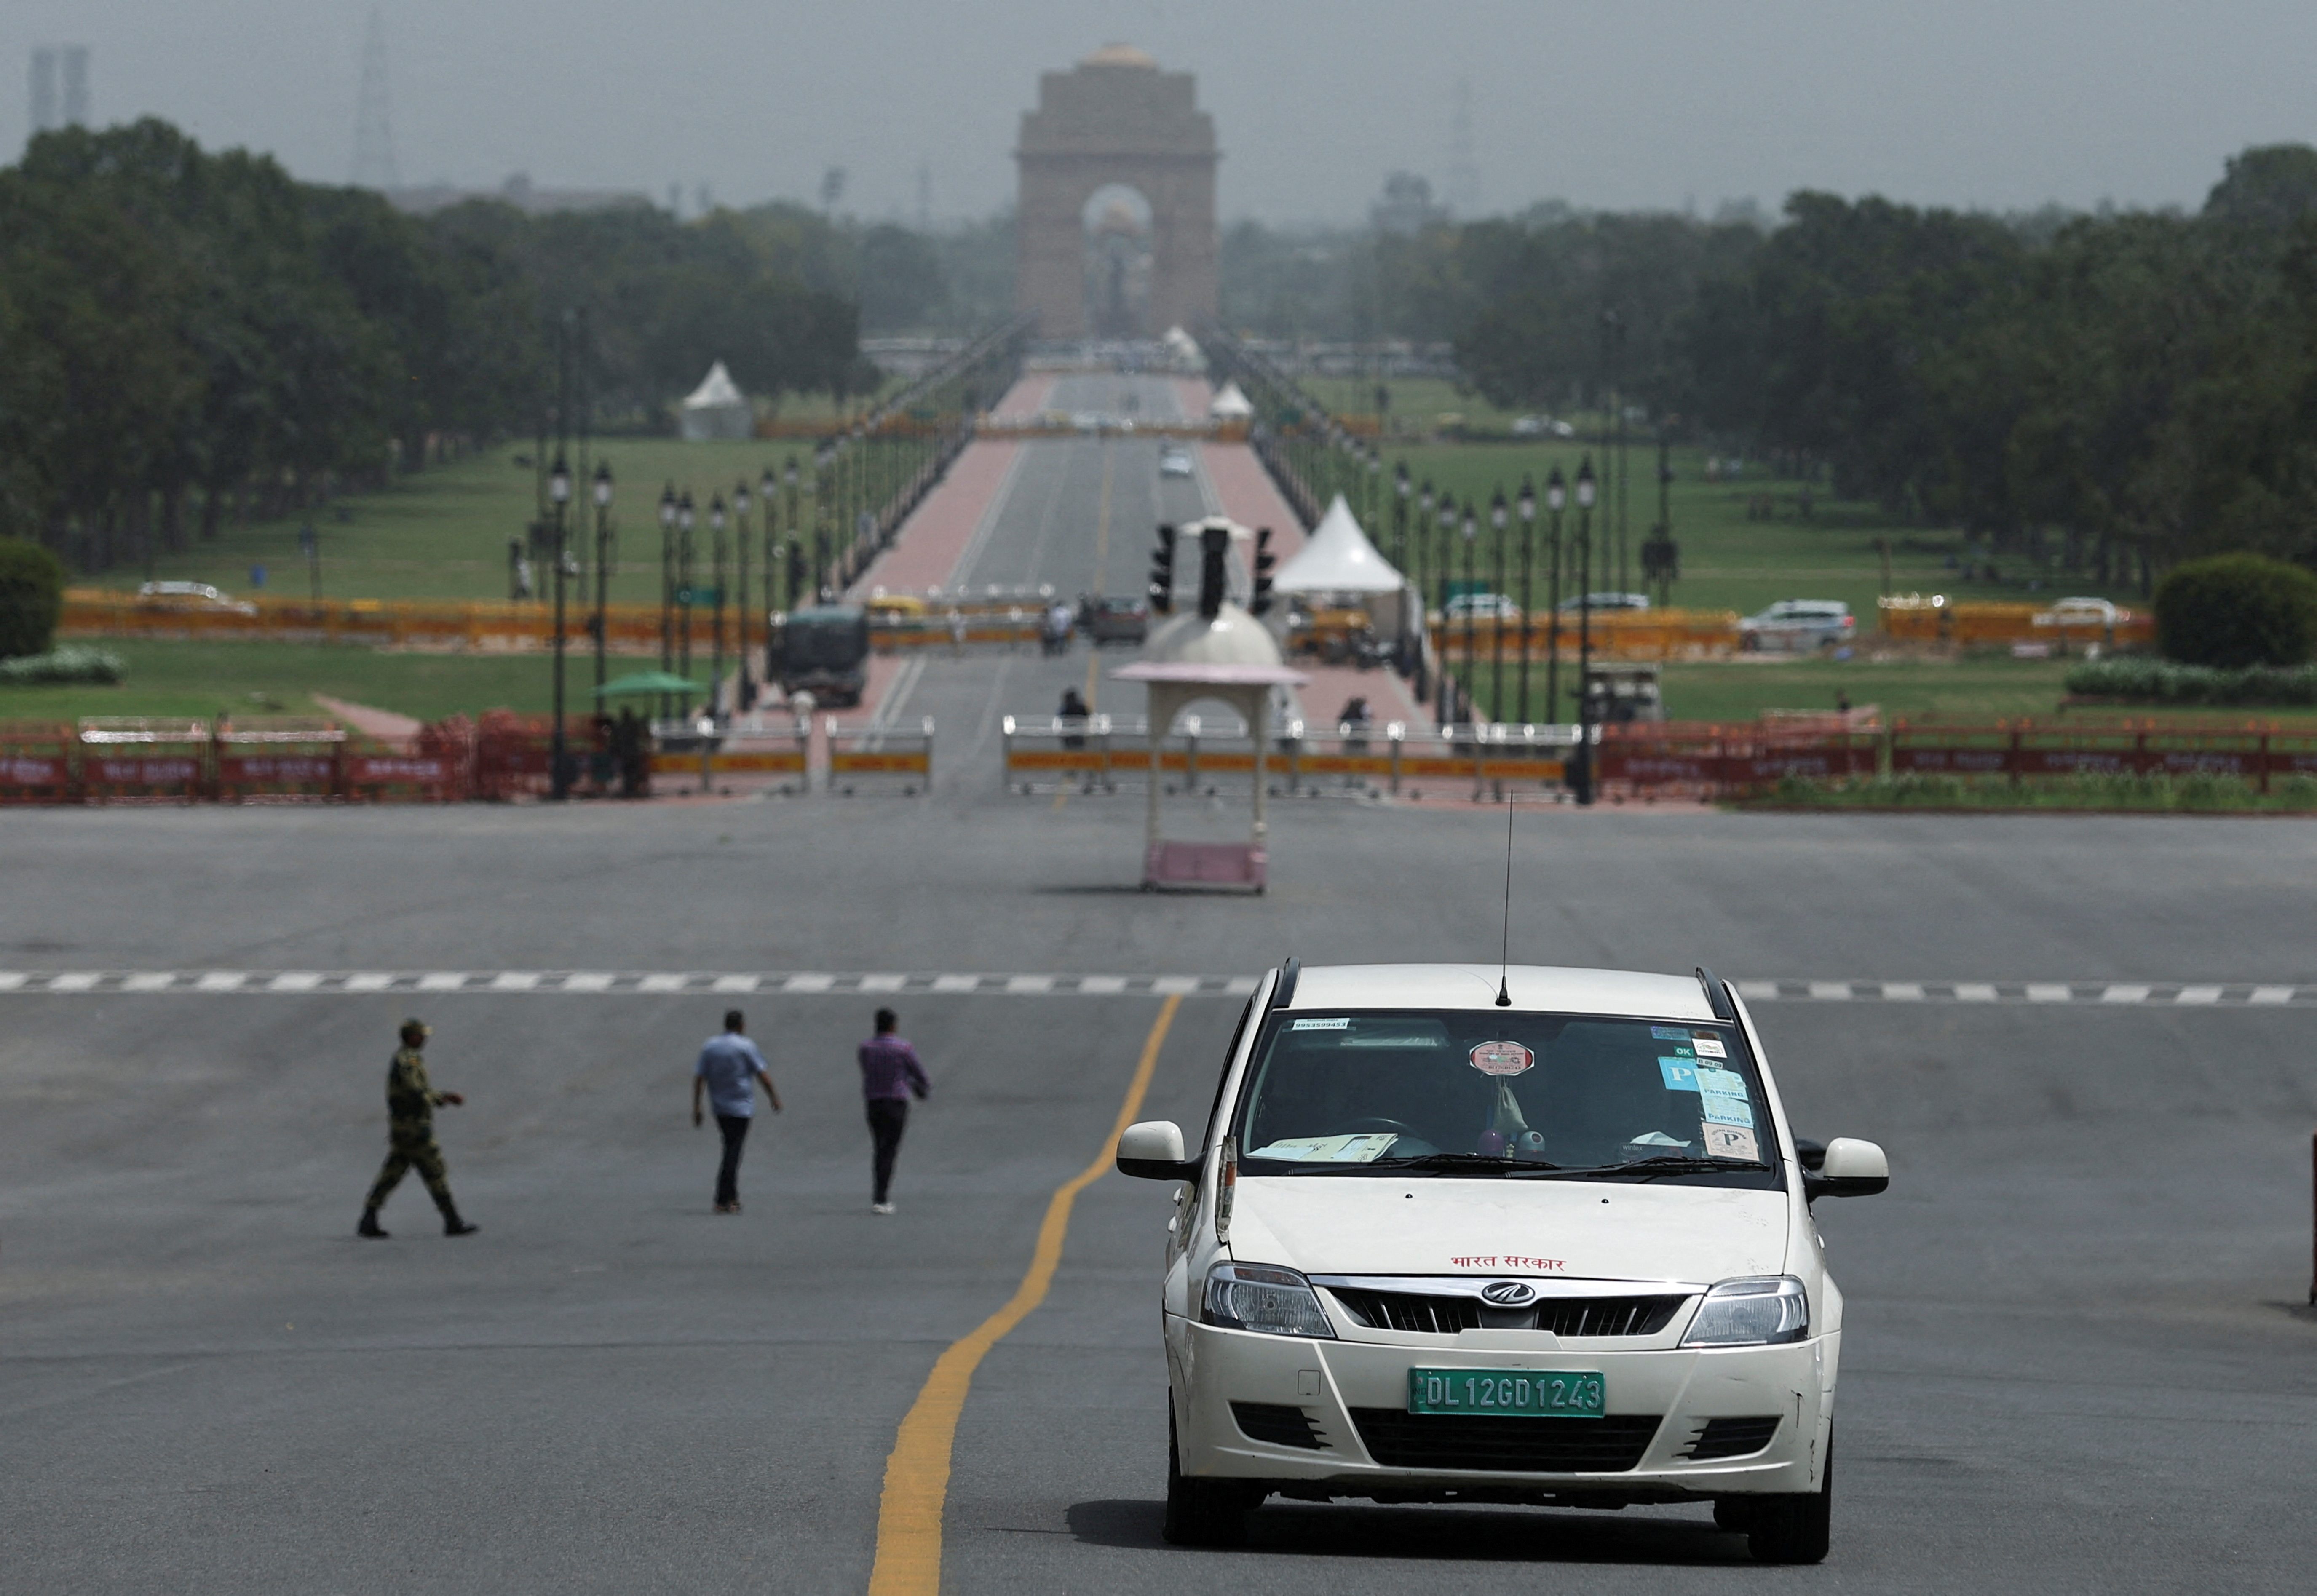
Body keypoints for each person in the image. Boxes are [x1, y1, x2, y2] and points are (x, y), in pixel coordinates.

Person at [357, 1019, 478, 1239]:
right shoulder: (408, 1060)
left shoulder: (408, 1058)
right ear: (411, 1037)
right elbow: (415, 1091)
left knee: (392, 1173)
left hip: (405, 1128)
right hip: (414, 1128)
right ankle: (452, 1221)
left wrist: (437, 1099)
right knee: (435, 1171)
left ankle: (369, 1217)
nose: (425, 1039)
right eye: (421, 1035)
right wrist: (443, 1097)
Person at [692, 1010, 782, 1214]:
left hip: (719, 1107)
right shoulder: (746, 1046)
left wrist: (697, 1106)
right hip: (742, 1107)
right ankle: (723, 1198)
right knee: (733, 1152)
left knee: (730, 1148)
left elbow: (700, 1077)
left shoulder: (711, 1046)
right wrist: (774, 1098)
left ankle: (732, 1197)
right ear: (741, 1026)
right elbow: (762, 1075)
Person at [858, 1007, 930, 1214]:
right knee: (889, 1149)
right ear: (893, 1026)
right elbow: (921, 1074)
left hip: (873, 1102)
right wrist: (920, 1087)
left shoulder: (866, 1048)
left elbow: (866, 1069)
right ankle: (881, 1197)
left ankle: (879, 1194)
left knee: (879, 1147)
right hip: (896, 1103)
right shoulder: (903, 1048)